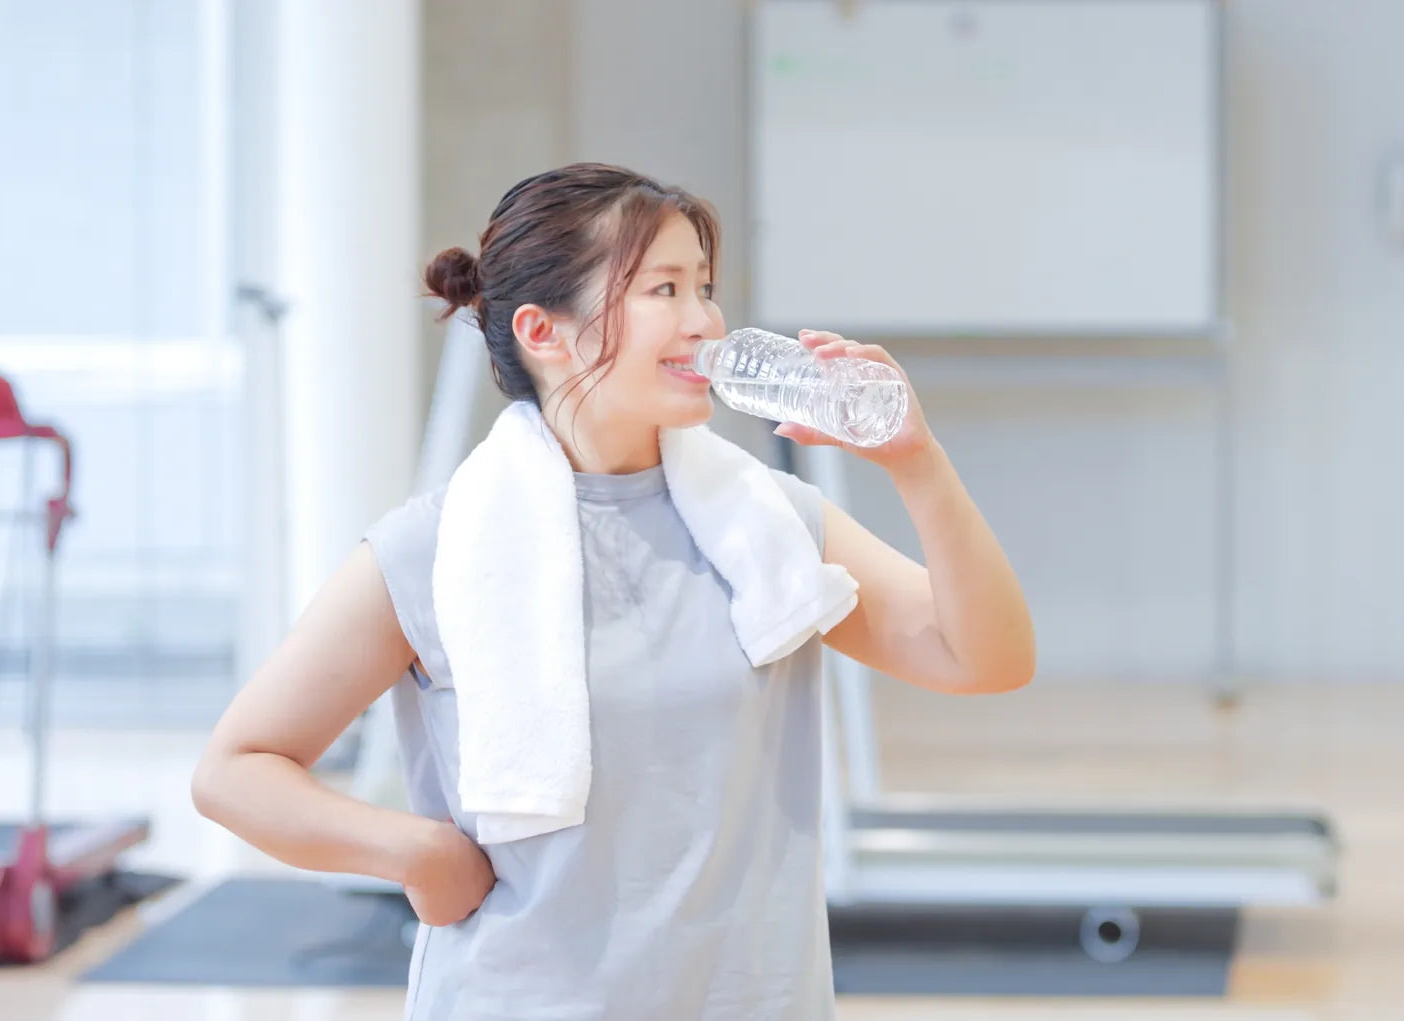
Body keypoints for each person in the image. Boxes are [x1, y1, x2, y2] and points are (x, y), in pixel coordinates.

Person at [192, 162, 1035, 1019]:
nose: (705, 321)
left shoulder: (771, 529)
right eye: (664, 289)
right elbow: (236, 771)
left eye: (704, 287)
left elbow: (987, 658)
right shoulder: (433, 548)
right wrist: (413, 852)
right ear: (542, 331)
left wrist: (915, 462)